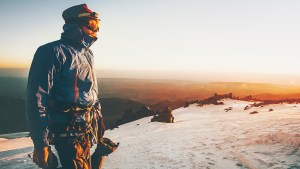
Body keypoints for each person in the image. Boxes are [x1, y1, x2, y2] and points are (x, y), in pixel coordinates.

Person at [26, 4, 116, 169]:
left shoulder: (87, 53)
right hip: (67, 129)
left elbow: (90, 92)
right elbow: (37, 98)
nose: (96, 30)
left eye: (98, 24)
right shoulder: (52, 51)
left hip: (85, 126)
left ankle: (99, 154)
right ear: (75, 24)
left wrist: (99, 123)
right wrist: (41, 143)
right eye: (92, 24)